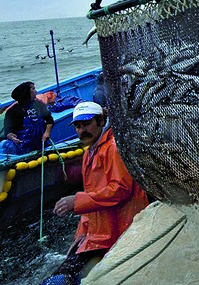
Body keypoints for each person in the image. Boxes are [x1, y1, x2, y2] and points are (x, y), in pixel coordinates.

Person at [43, 102, 149, 285]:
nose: (82, 130)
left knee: (57, 281)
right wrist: (81, 234)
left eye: (87, 124)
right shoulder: (89, 152)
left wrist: (76, 201)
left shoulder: (113, 148)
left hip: (120, 231)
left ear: (101, 121)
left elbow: (120, 189)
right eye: (78, 126)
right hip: (100, 233)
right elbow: (92, 198)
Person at [0, 82, 53, 154]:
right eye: (33, 89)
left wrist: (47, 132)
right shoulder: (12, 111)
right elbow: (8, 131)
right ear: (26, 93)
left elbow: (49, 120)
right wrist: (12, 137)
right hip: (22, 148)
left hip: (42, 144)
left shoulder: (39, 104)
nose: (36, 91)